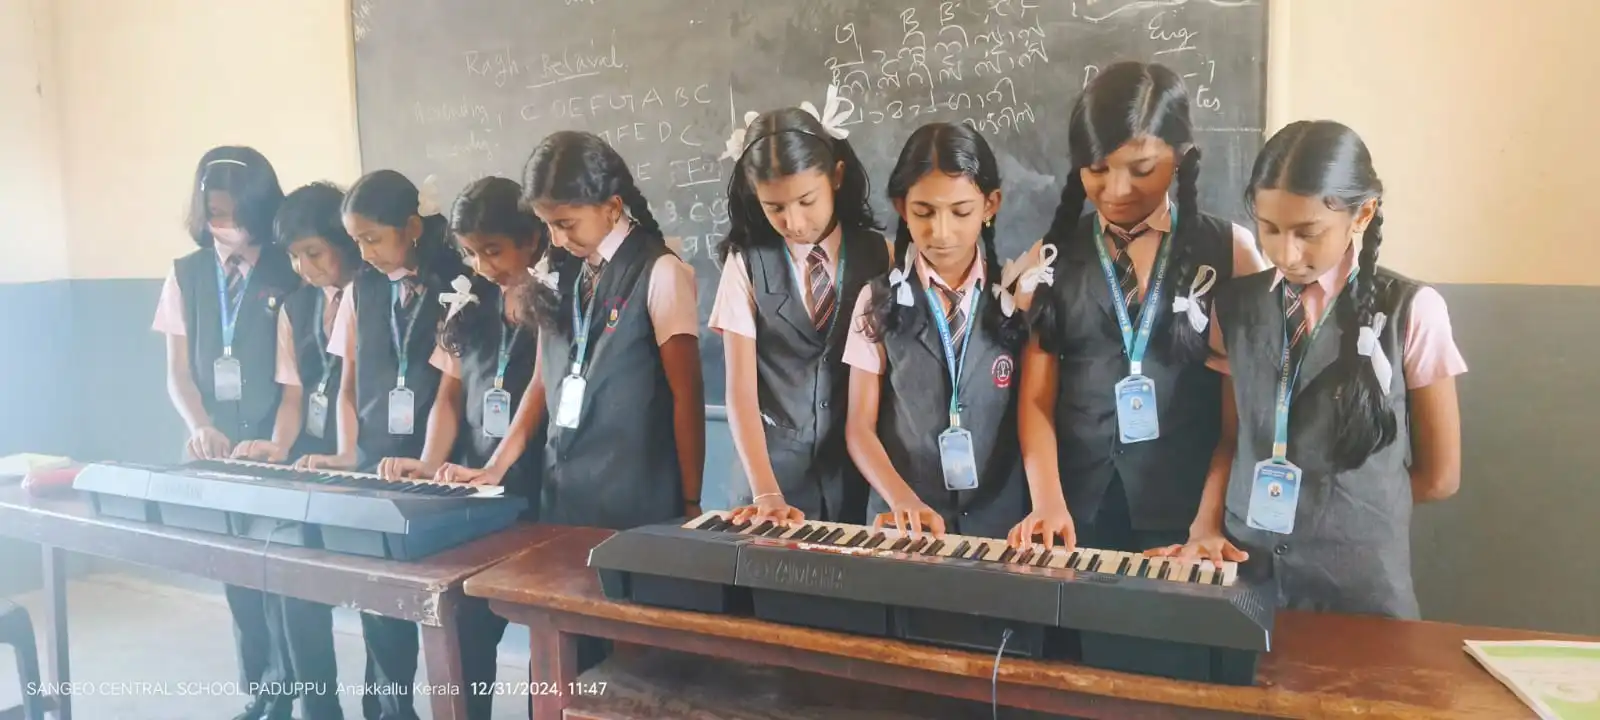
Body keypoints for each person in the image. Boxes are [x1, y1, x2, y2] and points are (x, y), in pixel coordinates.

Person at [1150, 120, 1465, 619]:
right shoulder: (1233, 307)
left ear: (1362, 214)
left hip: (1360, 590)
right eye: (1270, 229)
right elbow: (1234, 442)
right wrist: (1204, 528)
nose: (1286, 253)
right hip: (1247, 577)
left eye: (1308, 232)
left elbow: (1441, 476)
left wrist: (1355, 507)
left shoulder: (1412, 310)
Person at [1010, 61, 1269, 554]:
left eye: (1142, 169)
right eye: (1097, 170)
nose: (1117, 190)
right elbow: (1037, 399)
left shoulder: (1231, 251)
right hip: (1073, 513)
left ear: (1182, 155)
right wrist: (1046, 502)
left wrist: (1208, 522)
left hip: (1191, 521)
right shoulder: (1051, 258)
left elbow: (1241, 416)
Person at [297, 169, 469, 720]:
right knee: (380, 612)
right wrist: (349, 452)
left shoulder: (457, 284)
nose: (364, 252)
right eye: (357, 241)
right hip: (374, 464)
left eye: (373, 238)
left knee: (444, 614)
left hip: (437, 468)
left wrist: (432, 462)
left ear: (412, 228)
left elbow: (451, 390)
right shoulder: (360, 289)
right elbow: (347, 383)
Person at [375, 176, 546, 720]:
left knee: (549, 643)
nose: (482, 264)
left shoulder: (560, 297)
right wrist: (430, 462)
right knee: (467, 632)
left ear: (533, 239)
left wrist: (498, 466)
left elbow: (540, 393)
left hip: (537, 484)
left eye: (492, 250)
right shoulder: (469, 300)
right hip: (474, 487)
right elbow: (448, 394)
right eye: (471, 252)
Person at [150, 146, 300, 720]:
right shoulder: (186, 274)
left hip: (279, 446)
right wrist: (200, 426)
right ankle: (261, 693)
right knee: (238, 577)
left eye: (237, 215)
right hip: (217, 449)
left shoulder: (289, 268)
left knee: (283, 581)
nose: (226, 226)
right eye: (214, 213)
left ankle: (292, 693)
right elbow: (178, 372)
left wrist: (282, 442)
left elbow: (298, 378)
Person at [842, 122, 1031, 539]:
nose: (941, 232)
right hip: (904, 524)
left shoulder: (1018, 296)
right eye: (924, 213)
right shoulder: (876, 301)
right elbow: (859, 426)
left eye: (961, 212)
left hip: (1001, 529)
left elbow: (1035, 415)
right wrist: (901, 499)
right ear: (901, 207)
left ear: (990, 205)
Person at [710, 97, 889, 528]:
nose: (793, 220)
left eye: (807, 200)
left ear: (837, 178)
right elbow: (740, 393)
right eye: (775, 208)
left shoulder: (879, 255)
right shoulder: (746, 264)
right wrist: (766, 490)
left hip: (856, 482)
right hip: (769, 484)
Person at [233, 180, 358, 720]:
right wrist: (278, 446)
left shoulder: (377, 293)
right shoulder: (295, 304)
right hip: (309, 459)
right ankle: (316, 706)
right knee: (291, 585)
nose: (304, 267)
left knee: (381, 611)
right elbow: (294, 394)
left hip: (365, 459)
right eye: (294, 257)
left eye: (314, 252)